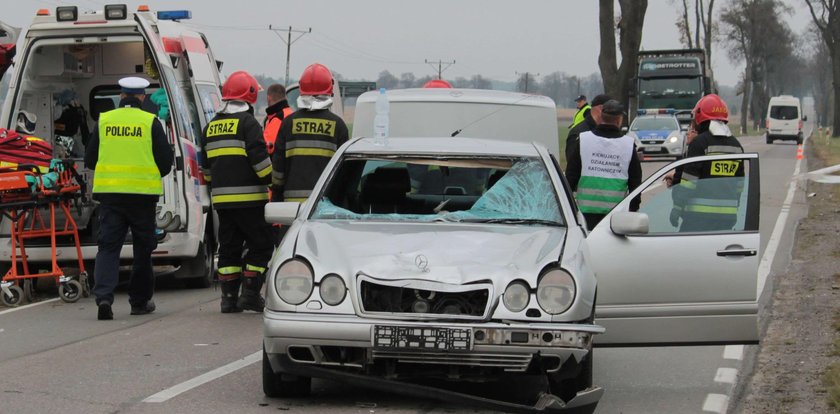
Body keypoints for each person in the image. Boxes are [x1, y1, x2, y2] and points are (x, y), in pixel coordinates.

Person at [84, 76, 173, 320]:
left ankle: (104, 298)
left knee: (108, 248)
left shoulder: (104, 121)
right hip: (142, 199)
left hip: (111, 198)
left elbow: (90, 159)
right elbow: (165, 163)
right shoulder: (150, 122)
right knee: (143, 250)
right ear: (142, 97)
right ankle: (139, 302)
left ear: (121, 96)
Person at [201, 70, 274, 314]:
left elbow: (206, 169)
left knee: (229, 248)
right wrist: (273, 181)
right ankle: (251, 295)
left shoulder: (210, 126)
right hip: (251, 201)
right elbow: (261, 163)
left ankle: (228, 299)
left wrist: (219, 186)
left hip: (222, 202)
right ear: (250, 96)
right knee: (261, 245)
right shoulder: (248, 123)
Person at [665, 94, 744, 232]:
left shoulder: (700, 143)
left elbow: (689, 182)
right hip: (728, 219)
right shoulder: (736, 146)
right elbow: (739, 185)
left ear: (700, 117)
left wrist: (677, 208)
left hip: (698, 218)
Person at [271, 63, 349, 203]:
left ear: (301, 89)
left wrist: (276, 195)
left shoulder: (288, 123)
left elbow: (278, 169)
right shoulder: (338, 125)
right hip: (324, 206)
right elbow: (344, 172)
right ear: (329, 90)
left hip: (291, 207)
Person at [565, 100, 642, 231]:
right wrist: (633, 209)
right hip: (616, 216)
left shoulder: (584, 140)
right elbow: (635, 182)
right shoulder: (628, 145)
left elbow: (570, 177)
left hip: (585, 214)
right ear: (619, 120)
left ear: (601, 117)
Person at [565, 94, 611, 164]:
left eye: (579, 101)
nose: (578, 103)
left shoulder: (587, 109)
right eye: (577, 101)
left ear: (584, 101)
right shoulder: (580, 111)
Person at [263, 84, 293, 155]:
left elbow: (268, 148)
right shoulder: (290, 113)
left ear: (268, 98)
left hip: (278, 163)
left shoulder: (278, 118)